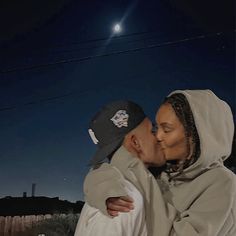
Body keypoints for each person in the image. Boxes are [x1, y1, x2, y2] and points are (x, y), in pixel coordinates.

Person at [84, 89, 236, 236]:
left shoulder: (222, 182)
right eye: (156, 128)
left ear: (198, 133)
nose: (158, 136)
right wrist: (102, 188)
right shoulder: (164, 171)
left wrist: (132, 166)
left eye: (167, 129)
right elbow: (103, 174)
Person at [74, 100, 165, 236]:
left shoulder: (116, 190)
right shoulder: (123, 199)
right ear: (135, 143)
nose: (158, 136)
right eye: (152, 130)